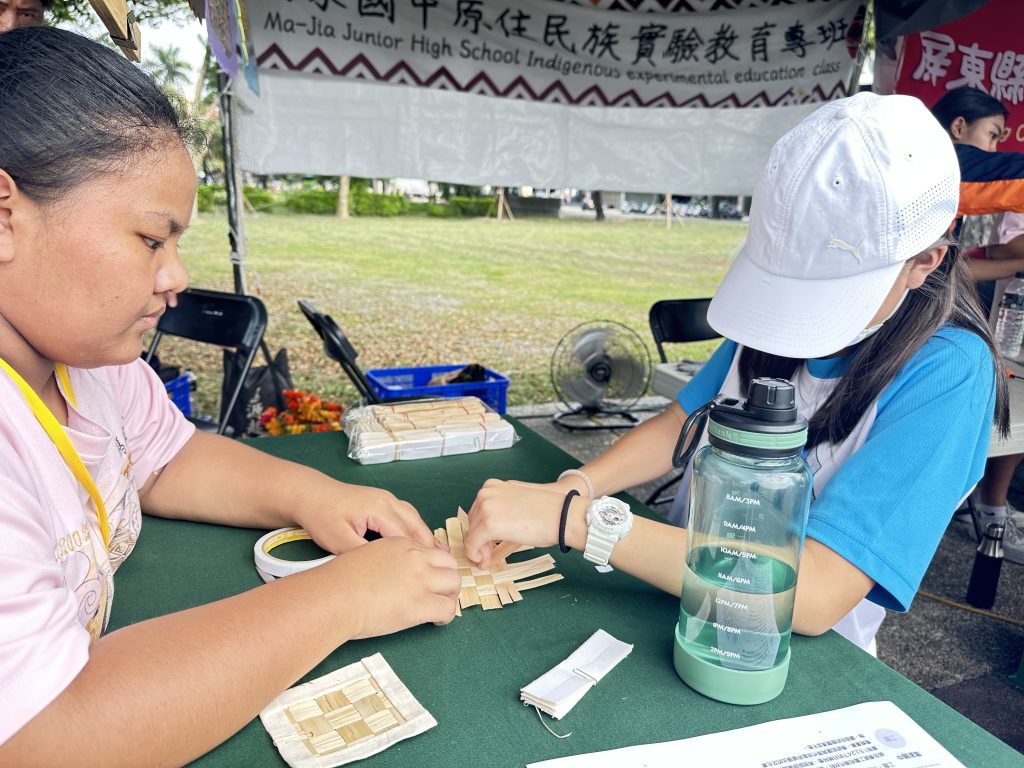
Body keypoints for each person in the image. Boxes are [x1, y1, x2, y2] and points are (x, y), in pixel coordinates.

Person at [0, 28, 460, 765]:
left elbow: (167, 459)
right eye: (152, 240)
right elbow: (47, 735)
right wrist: (339, 599)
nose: (175, 276)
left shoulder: (91, 359)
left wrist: (316, 496)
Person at [464, 92, 1007, 657]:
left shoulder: (951, 372)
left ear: (925, 261)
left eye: (828, 294)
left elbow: (816, 591)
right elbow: (680, 424)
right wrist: (575, 486)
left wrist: (578, 521)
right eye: (788, 285)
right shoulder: (770, 324)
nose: (796, 318)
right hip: (675, 597)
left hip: (787, 656)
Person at [932, 87, 1024, 529]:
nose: (994, 149)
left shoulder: (948, 197)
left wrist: (1015, 263)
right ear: (958, 127)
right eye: (992, 135)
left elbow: (948, 269)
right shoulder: (938, 164)